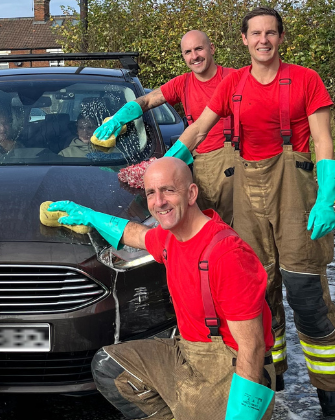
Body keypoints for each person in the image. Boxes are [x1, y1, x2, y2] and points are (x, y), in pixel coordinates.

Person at [170, 7, 335, 419]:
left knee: (305, 292)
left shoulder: (305, 79)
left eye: (271, 33)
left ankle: (332, 397)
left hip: (297, 191)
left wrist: (326, 198)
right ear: (244, 40)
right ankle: (271, 377)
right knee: (257, 289)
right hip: (247, 191)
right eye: (256, 33)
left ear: (281, 38)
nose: (263, 40)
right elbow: (199, 129)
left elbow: (323, 141)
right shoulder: (233, 83)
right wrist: (169, 162)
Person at [48, 157, 275, 420]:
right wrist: (89, 214)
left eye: (168, 190)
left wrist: (243, 414)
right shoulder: (172, 236)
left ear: (191, 193)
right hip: (189, 353)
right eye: (151, 193)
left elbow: (253, 347)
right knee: (110, 367)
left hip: (234, 369)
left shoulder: (227, 254)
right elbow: (135, 234)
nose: (159, 202)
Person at [92, 31, 236, 223]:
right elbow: (149, 99)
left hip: (231, 165)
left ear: (212, 49)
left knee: (232, 226)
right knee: (206, 226)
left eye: (199, 49)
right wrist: (118, 119)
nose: (194, 56)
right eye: (188, 52)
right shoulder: (183, 83)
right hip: (200, 165)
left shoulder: (235, 78)